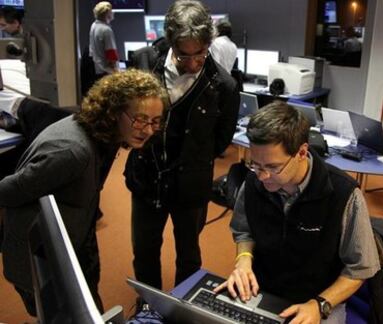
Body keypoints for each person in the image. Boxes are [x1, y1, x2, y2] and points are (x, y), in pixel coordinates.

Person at [0, 69, 166, 316]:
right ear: (113, 112)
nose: (149, 130)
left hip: (74, 248)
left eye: (155, 121)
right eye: (140, 119)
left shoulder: (105, 136)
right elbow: (7, 192)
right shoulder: (72, 152)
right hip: (42, 263)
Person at [214, 101, 380, 323]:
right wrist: (243, 260)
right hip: (262, 291)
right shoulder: (254, 182)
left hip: (318, 300)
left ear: (302, 152)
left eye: (273, 167)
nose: (262, 176)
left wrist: (320, 304)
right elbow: (244, 230)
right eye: (256, 165)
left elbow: (361, 267)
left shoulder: (343, 194)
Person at [125, 0, 239, 292]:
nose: (192, 63)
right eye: (183, 55)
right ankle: (149, 305)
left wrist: (190, 156)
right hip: (146, 177)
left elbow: (221, 140)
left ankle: (183, 308)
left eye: (199, 54)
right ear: (170, 43)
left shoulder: (224, 85)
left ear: (208, 44)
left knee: (189, 256)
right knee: (145, 251)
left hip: (191, 184)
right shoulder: (142, 62)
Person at [89, 1, 119, 78]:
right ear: (107, 14)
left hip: (96, 68)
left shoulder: (94, 25)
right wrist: (117, 72)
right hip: (106, 71)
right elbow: (111, 54)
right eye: (111, 11)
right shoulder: (106, 30)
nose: (113, 13)